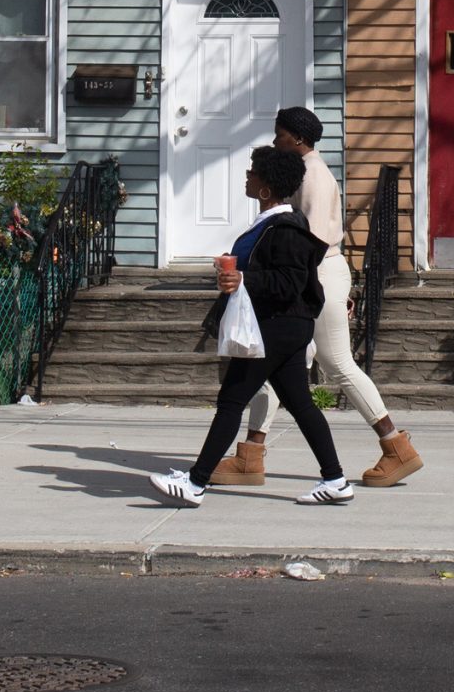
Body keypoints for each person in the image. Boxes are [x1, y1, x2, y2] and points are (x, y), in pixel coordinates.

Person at [208, 107, 423, 490]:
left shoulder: (314, 177)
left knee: (338, 364)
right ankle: (251, 454)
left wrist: (321, 290)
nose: (275, 142)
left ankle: (395, 446)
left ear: (298, 139)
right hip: (319, 276)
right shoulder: (306, 173)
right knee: (275, 365)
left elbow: (313, 243)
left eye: (280, 136)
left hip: (315, 276)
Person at [151, 145, 354, 508]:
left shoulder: (287, 228)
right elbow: (268, 273)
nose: (247, 176)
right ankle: (336, 479)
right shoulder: (271, 224)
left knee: (231, 400)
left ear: (266, 187)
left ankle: (196, 483)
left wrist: (243, 278)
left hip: (276, 326)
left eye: (252, 172)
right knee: (301, 404)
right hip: (284, 326)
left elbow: (289, 283)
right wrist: (235, 272)